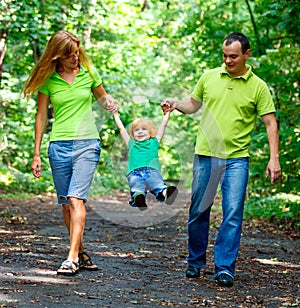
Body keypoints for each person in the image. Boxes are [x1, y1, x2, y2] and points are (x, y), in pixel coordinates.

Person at [161, 32, 281, 287]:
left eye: (233, 56)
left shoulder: (258, 86)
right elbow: (193, 105)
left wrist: (274, 159)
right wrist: (175, 103)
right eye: (225, 56)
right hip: (205, 155)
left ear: (246, 55)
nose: (227, 61)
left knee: (233, 213)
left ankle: (224, 268)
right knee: (198, 210)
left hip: (237, 159)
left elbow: (270, 123)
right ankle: (195, 262)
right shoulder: (209, 77)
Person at [23, 30, 118, 276]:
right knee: (66, 204)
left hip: (87, 143)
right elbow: (41, 116)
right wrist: (36, 154)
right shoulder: (48, 80)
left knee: (76, 199)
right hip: (59, 146)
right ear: (57, 56)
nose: (75, 58)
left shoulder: (89, 73)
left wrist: (111, 103)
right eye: (69, 55)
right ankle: (82, 251)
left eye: (77, 52)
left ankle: (72, 258)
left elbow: (103, 99)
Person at [113, 110, 178, 210]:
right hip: (140, 173)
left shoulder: (154, 141)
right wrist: (116, 115)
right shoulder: (131, 143)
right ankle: (140, 199)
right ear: (133, 134)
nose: (140, 132)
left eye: (144, 129)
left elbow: (163, 126)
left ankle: (166, 193)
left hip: (147, 172)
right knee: (155, 187)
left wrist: (167, 114)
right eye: (136, 130)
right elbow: (121, 129)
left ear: (151, 132)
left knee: (144, 188)